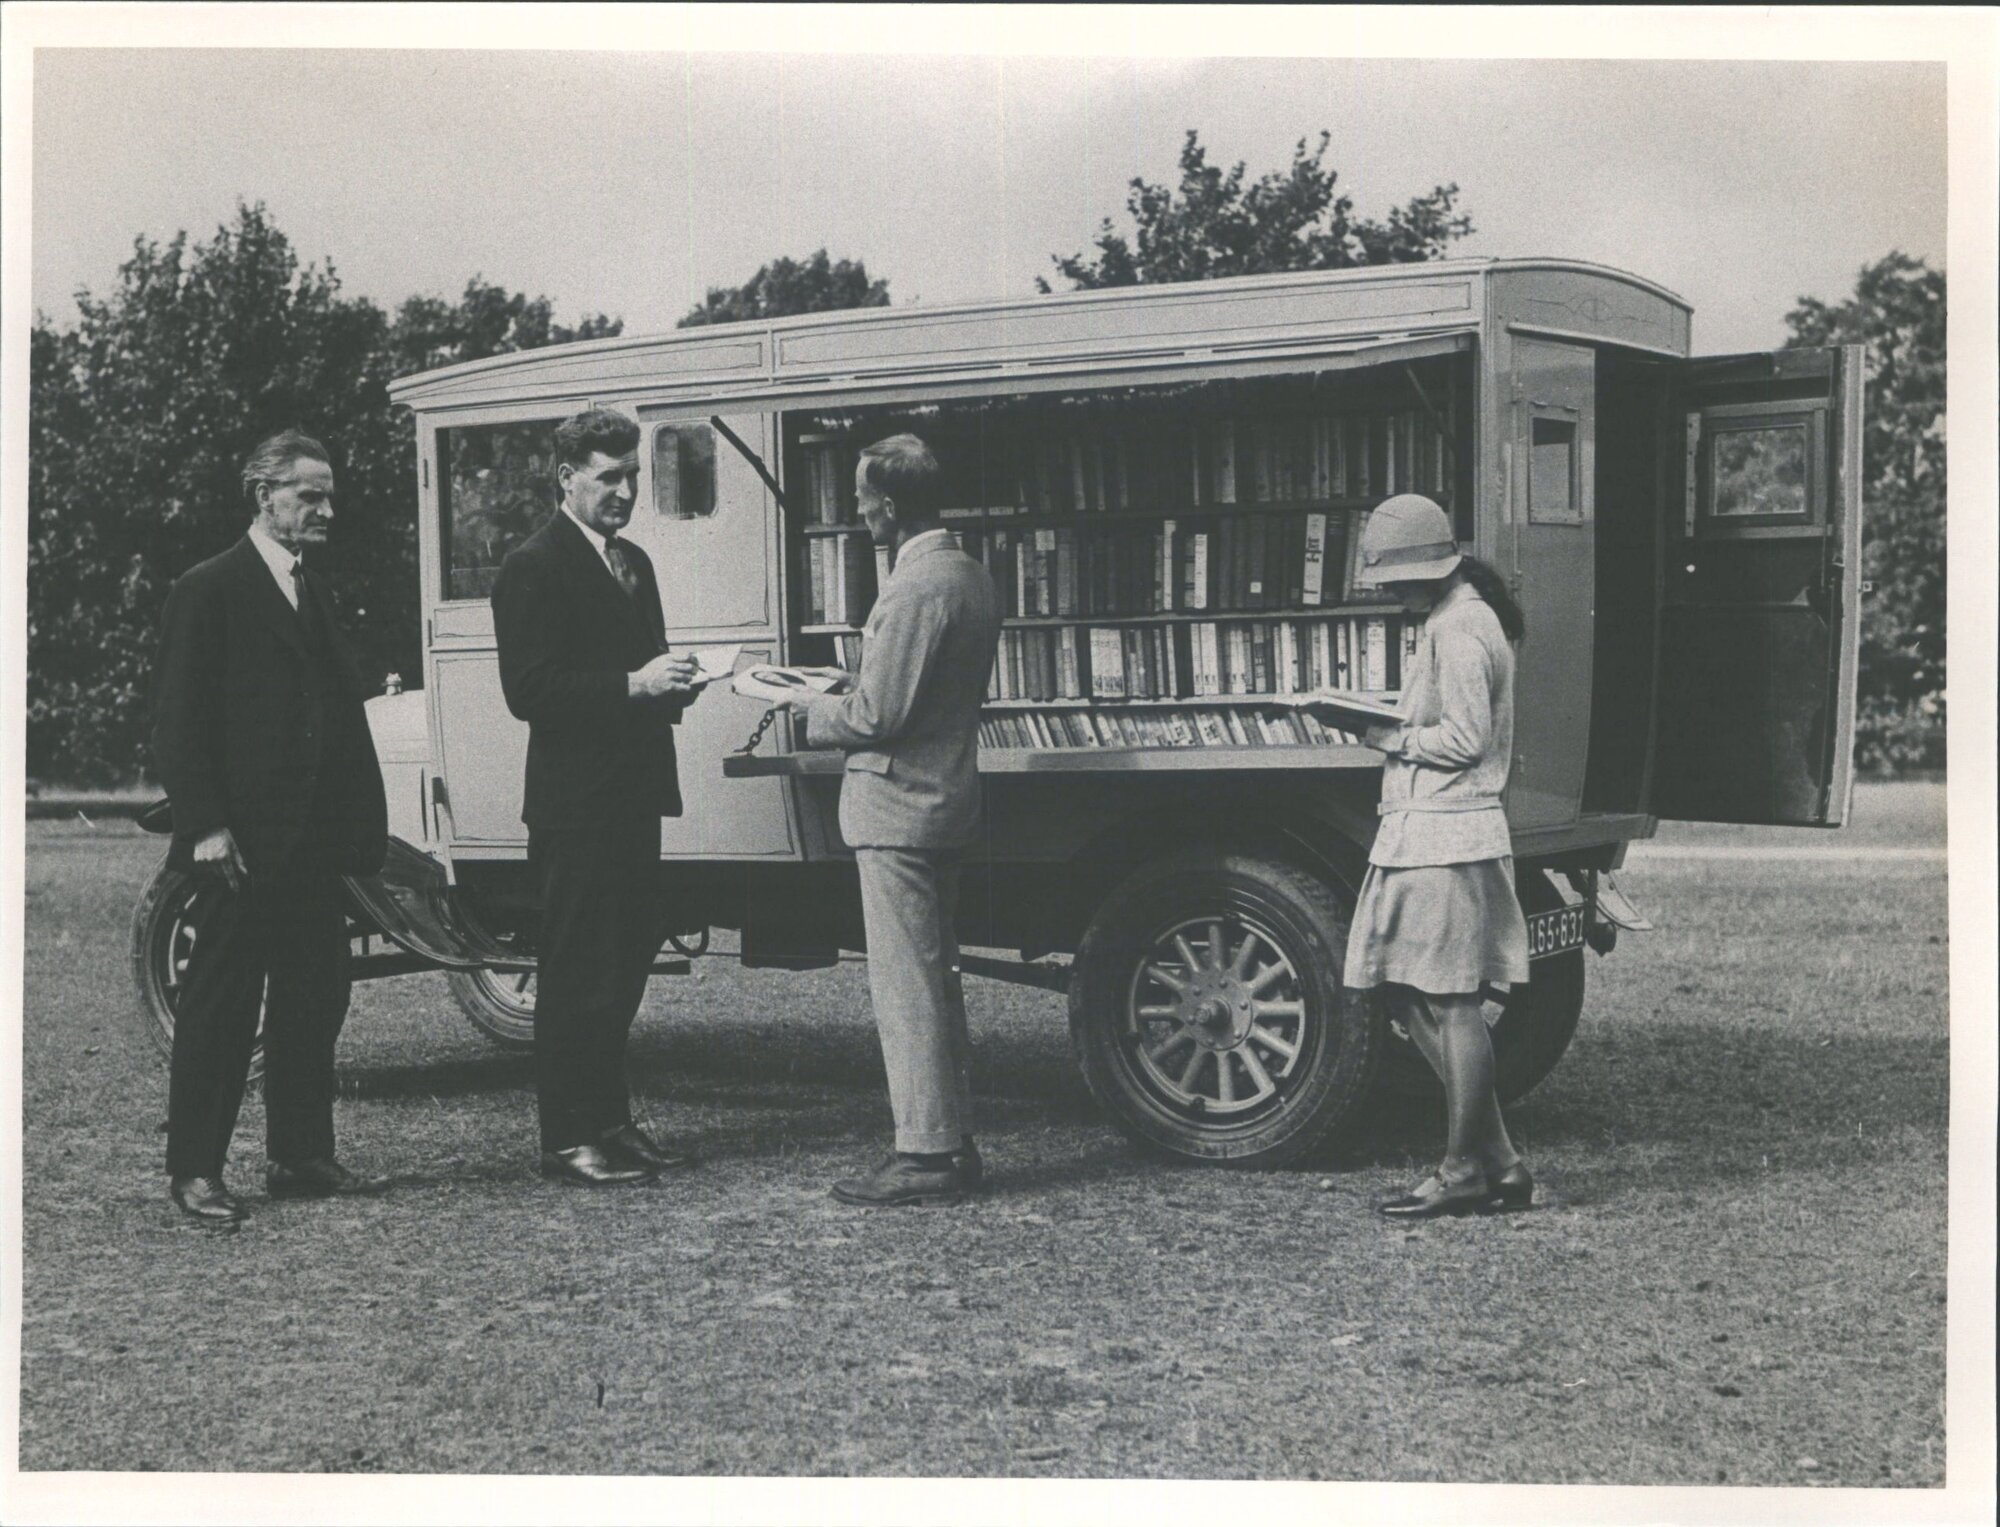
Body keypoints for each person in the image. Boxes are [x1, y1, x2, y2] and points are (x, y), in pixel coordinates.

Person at [150, 429, 391, 1224]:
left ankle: (298, 1155)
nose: (326, 508)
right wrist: (207, 826)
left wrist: (360, 827)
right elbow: (180, 723)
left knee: (314, 997)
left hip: (312, 845)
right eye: (309, 495)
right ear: (264, 495)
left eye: (329, 494)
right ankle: (195, 1171)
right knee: (220, 1006)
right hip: (242, 848)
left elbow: (333, 713)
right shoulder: (209, 587)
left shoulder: (308, 586)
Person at [491, 408, 703, 1186]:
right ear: (566, 479)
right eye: (608, 477)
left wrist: (674, 682)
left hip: (634, 796)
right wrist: (635, 683)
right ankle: (567, 1137)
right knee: (576, 971)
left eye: (633, 474)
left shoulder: (634, 562)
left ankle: (611, 1121)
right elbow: (530, 690)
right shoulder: (532, 566)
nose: (625, 491)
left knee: (622, 967)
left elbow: (640, 668)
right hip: (575, 808)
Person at [790, 433, 1003, 1207]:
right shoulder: (970, 574)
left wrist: (809, 706)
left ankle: (924, 1152)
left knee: (906, 987)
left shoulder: (915, 586)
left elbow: (878, 713)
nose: (856, 508)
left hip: (897, 809)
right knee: (936, 980)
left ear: (887, 503)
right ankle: (953, 1137)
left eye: (861, 496)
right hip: (944, 797)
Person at [1341, 493, 1536, 1220]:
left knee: (1451, 1003)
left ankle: (1463, 1169)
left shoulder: (1457, 628)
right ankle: (1502, 1160)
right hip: (1437, 834)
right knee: (1413, 994)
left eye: (1394, 580)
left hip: (1444, 835)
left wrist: (1385, 735)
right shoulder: (1464, 617)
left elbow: (1464, 738)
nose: (1390, 594)